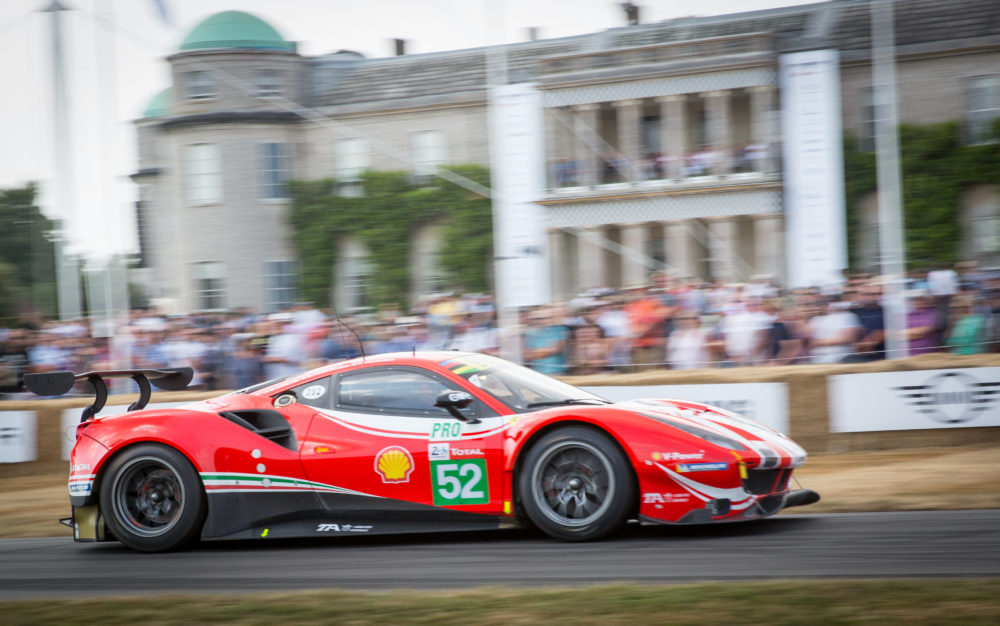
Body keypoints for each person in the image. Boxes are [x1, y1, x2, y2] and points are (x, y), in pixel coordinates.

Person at [523, 306, 570, 375]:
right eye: (536, 318)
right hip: (538, 373)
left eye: (542, 318)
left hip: (557, 372)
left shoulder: (560, 330)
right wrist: (550, 350)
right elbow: (527, 355)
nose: (539, 321)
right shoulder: (530, 333)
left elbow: (558, 349)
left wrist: (534, 352)